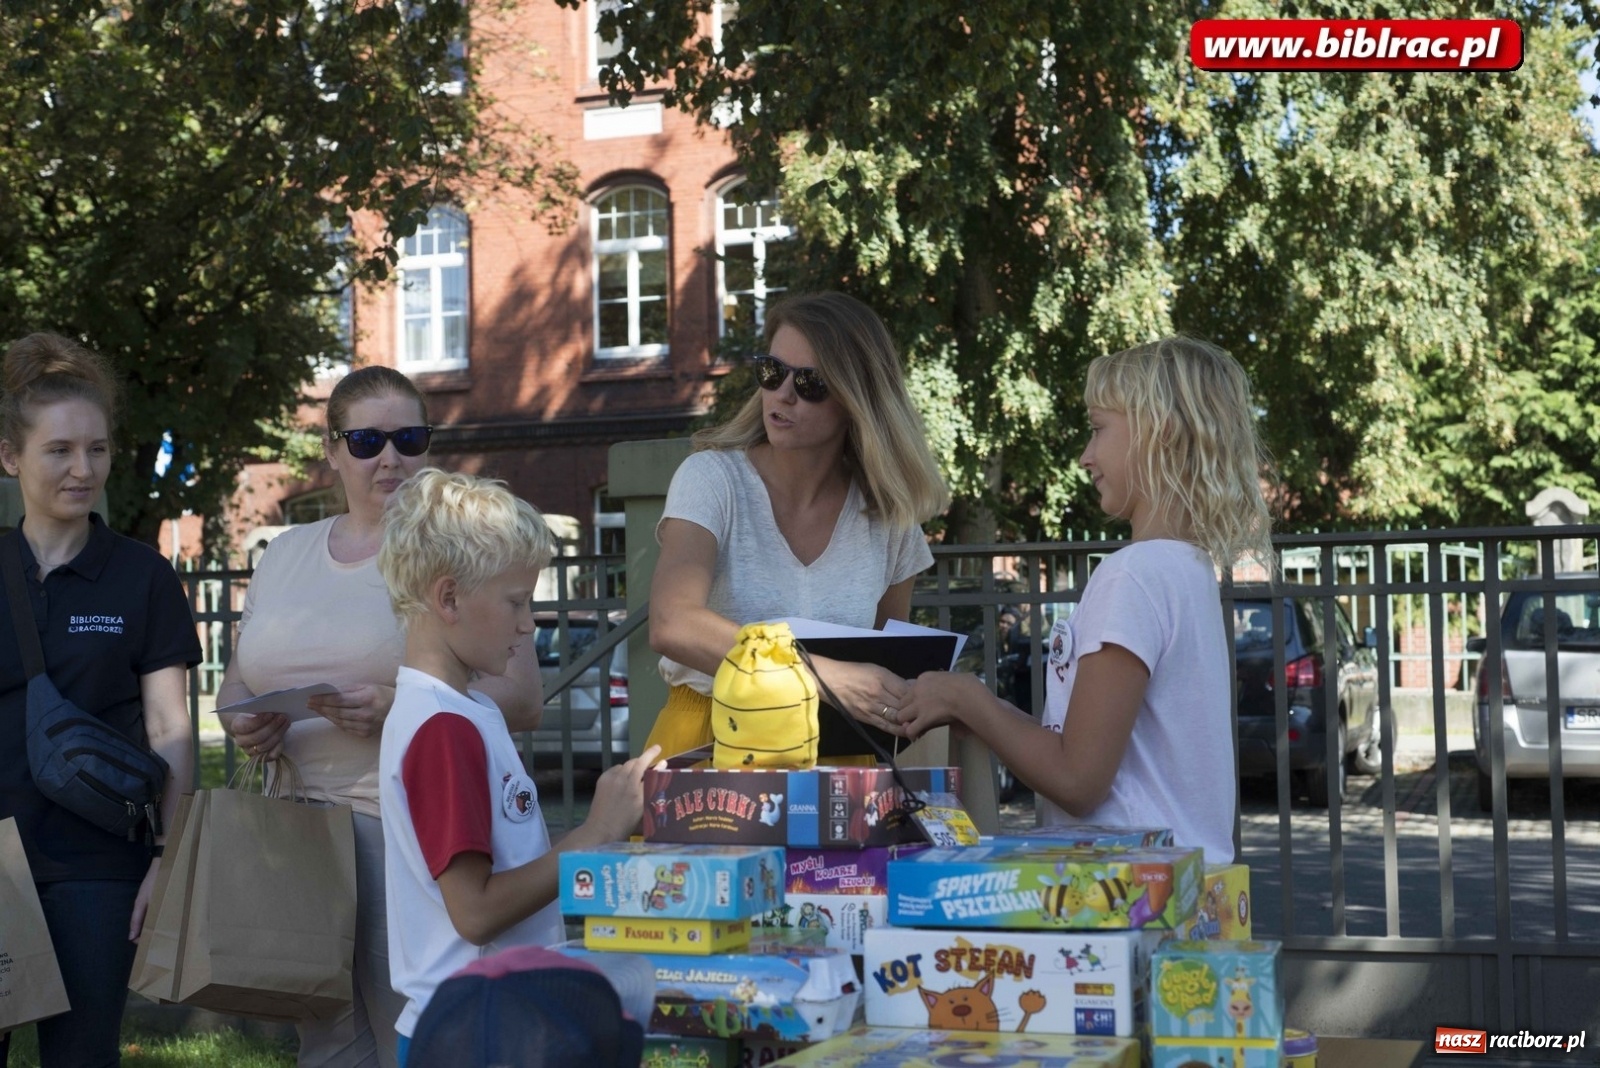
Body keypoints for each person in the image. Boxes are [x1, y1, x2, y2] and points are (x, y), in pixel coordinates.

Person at [215, 367, 543, 1068]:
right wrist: (242, 719)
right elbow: (239, 675)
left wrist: (400, 707)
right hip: (295, 825)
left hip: (400, 830)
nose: (388, 457)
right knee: (325, 1038)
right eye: (366, 440)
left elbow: (524, 700)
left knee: (409, 1022)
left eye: (408, 437)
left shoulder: (455, 549)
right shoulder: (287, 553)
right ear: (331, 449)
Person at [895, 337, 1274, 863]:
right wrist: (989, 713)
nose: (1085, 456)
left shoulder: (1135, 576)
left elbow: (1078, 779)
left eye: (1098, 429)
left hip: (1132, 899)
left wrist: (969, 700)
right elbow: (1096, 747)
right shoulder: (1187, 568)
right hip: (1192, 892)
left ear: (1157, 429)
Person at [374, 469, 661, 1067]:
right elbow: (475, 912)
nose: (529, 624)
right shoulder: (442, 728)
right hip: (472, 1034)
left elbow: (503, 863)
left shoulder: (466, 709)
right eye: (516, 601)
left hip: (486, 1020)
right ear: (448, 598)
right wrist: (593, 834)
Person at [0, 333, 200, 1067]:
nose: (82, 469)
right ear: (10, 456)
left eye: (98, 449)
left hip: (99, 869)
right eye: (59, 451)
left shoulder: (142, 577)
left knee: (84, 1056)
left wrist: (165, 862)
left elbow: (171, 728)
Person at [645, 292, 949, 755]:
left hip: (840, 753)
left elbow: (888, 665)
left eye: (810, 383)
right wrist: (819, 674)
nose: (782, 394)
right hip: (712, 740)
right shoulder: (713, 478)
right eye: (772, 371)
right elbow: (671, 623)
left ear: (856, 399)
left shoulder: (887, 513)